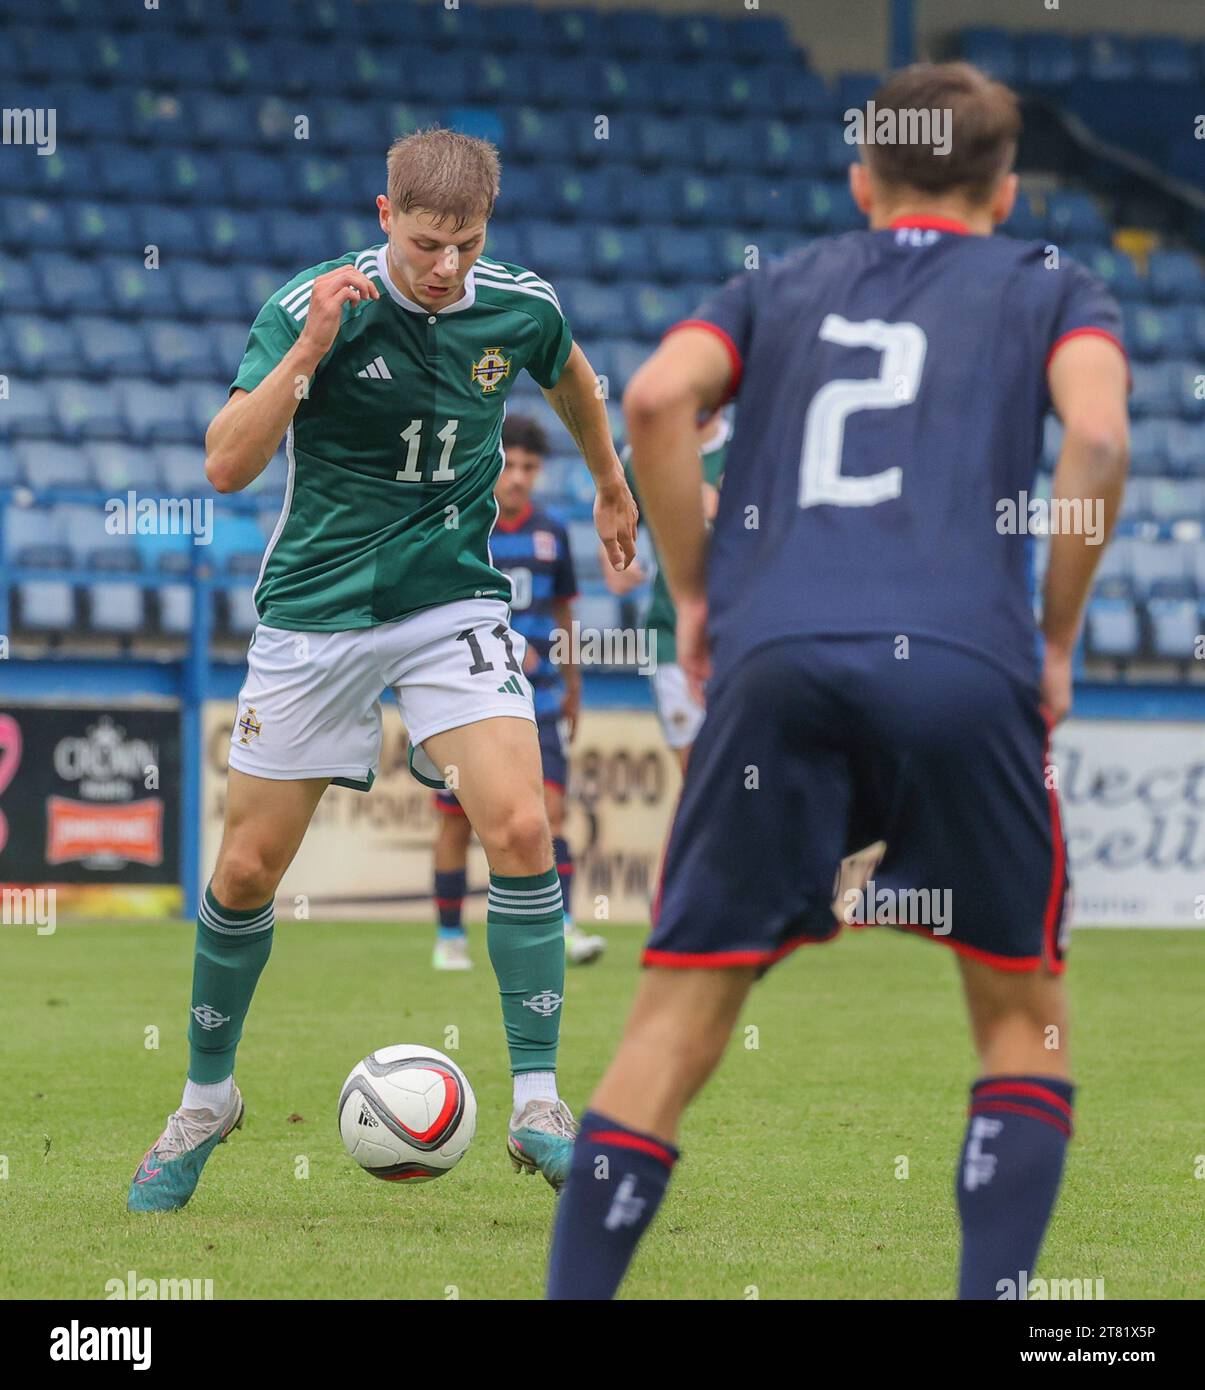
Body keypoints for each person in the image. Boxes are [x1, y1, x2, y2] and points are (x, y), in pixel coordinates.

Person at [546, 63, 1129, 1298]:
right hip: (965, 670)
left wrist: (697, 597)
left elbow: (652, 398)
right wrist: (1058, 635)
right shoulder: (1050, 287)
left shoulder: (774, 286)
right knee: (1018, 1018)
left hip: (776, 665)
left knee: (675, 1021)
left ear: (861, 180)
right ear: (1004, 187)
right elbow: (1099, 433)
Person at [127, 129, 637, 1212]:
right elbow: (224, 463)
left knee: (521, 827)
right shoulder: (309, 303)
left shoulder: (520, 305)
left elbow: (572, 375)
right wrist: (308, 352)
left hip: (448, 597)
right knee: (248, 874)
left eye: (465, 243)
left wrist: (607, 482)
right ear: (381, 214)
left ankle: (540, 1101)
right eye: (423, 243)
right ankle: (205, 1098)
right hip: (314, 614)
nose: (445, 266)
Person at [431, 412, 605, 971]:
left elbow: (564, 613)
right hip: (469, 696)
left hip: (541, 696)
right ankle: (450, 936)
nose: (520, 477)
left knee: (550, 812)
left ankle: (564, 923)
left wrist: (574, 686)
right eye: (512, 464)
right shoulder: (462, 523)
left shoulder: (552, 533)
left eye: (531, 467)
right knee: (456, 819)